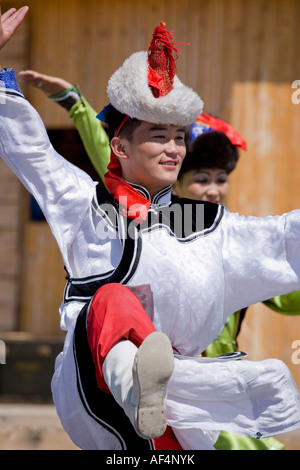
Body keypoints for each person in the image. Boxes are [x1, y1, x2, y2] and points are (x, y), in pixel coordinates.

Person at [1, 9, 300, 451]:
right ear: (119, 146)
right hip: (97, 388)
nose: (173, 149)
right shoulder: (84, 206)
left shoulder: (215, 228)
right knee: (110, 300)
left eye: (179, 137)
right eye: (158, 135)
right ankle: (137, 378)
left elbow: (285, 238)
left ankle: (151, 388)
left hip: (182, 401)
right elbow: (30, 150)